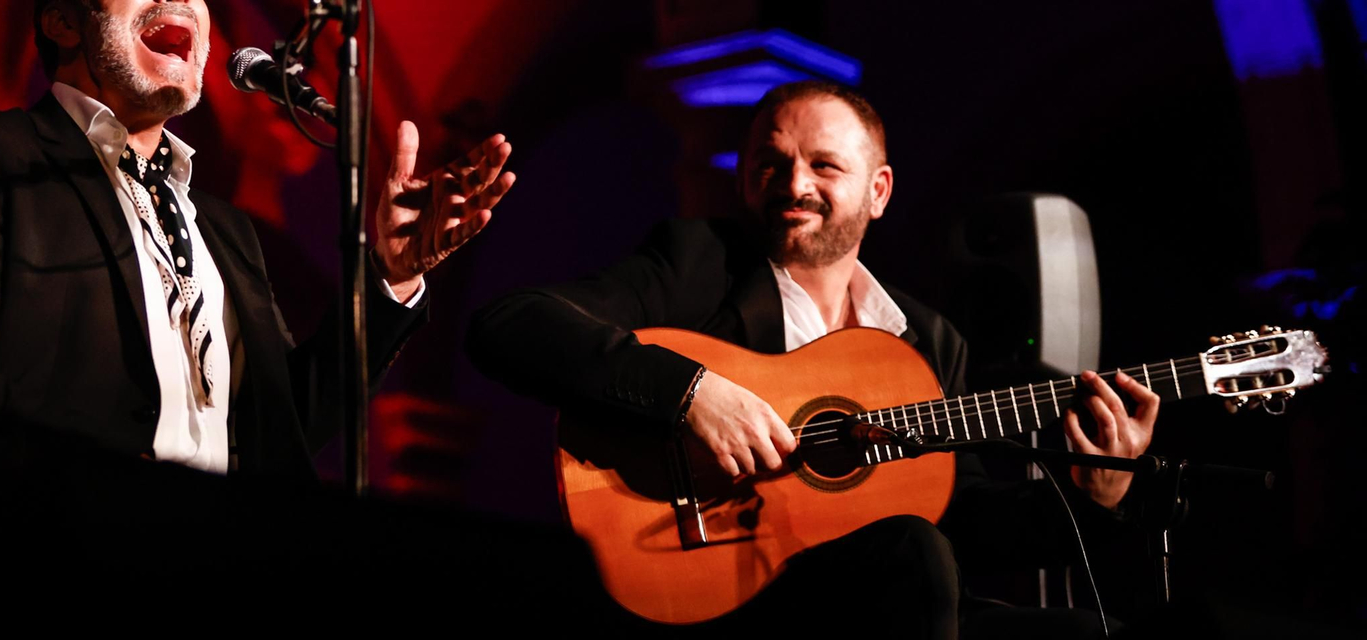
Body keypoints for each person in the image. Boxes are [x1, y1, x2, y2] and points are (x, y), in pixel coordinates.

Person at [466, 79, 1158, 638]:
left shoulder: (929, 338)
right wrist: (692, 392)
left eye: (824, 165)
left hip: (892, 601)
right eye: (772, 163)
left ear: (878, 191)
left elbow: (964, 518)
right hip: (731, 592)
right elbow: (510, 323)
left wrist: (1095, 495)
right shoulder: (698, 263)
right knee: (915, 555)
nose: (793, 183)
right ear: (745, 182)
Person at [0, 0, 515, 499]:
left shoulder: (226, 230)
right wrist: (114, 473)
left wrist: (392, 277)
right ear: (62, 19)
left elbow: (285, 422)